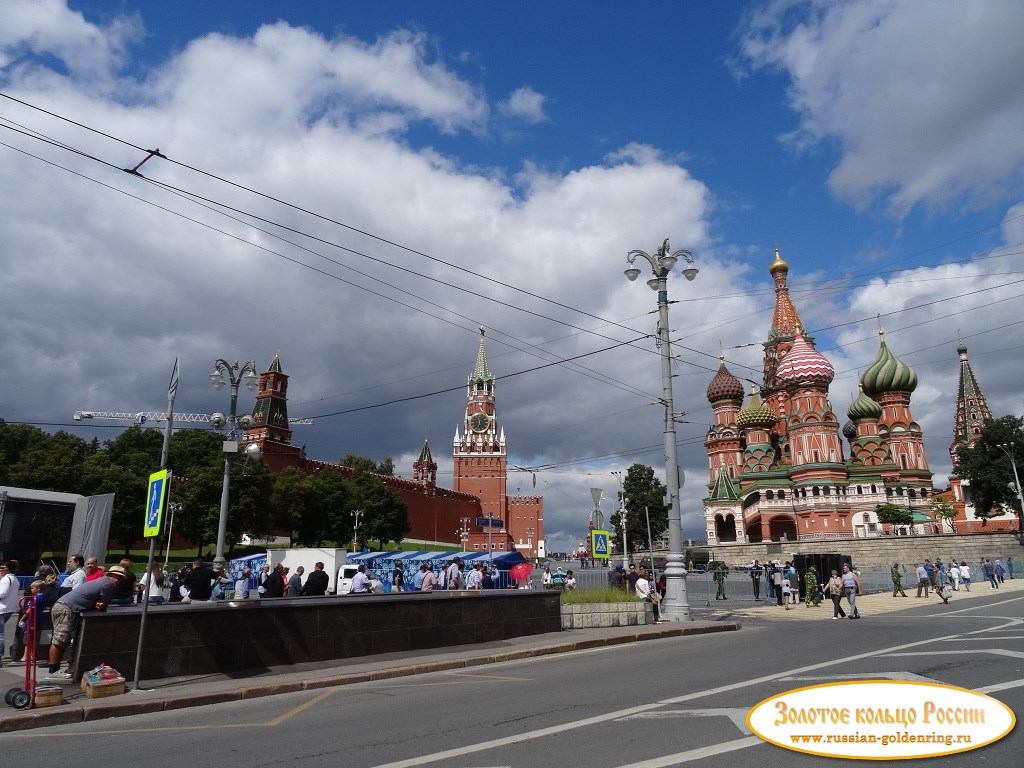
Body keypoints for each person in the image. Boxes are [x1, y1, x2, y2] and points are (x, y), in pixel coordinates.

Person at [45, 564, 126, 680]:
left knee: (61, 640)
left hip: (63, 606)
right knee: (59, 640)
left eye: (121, 578)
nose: (118, 580)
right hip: (65, 608)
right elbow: (103, 605)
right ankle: (53, 671)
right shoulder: (108, 584)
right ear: (110, 575)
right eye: (116, 576)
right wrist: (98, 605)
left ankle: (55, 669)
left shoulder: (101, 581)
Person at [0, 561, 20, 665]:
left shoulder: (5, 579)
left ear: (8, 569)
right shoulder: (15, 579)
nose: (1, 569)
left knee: (0, 635)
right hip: (9, 608)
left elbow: (2, 593)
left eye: (3, 567)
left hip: (2, 609)